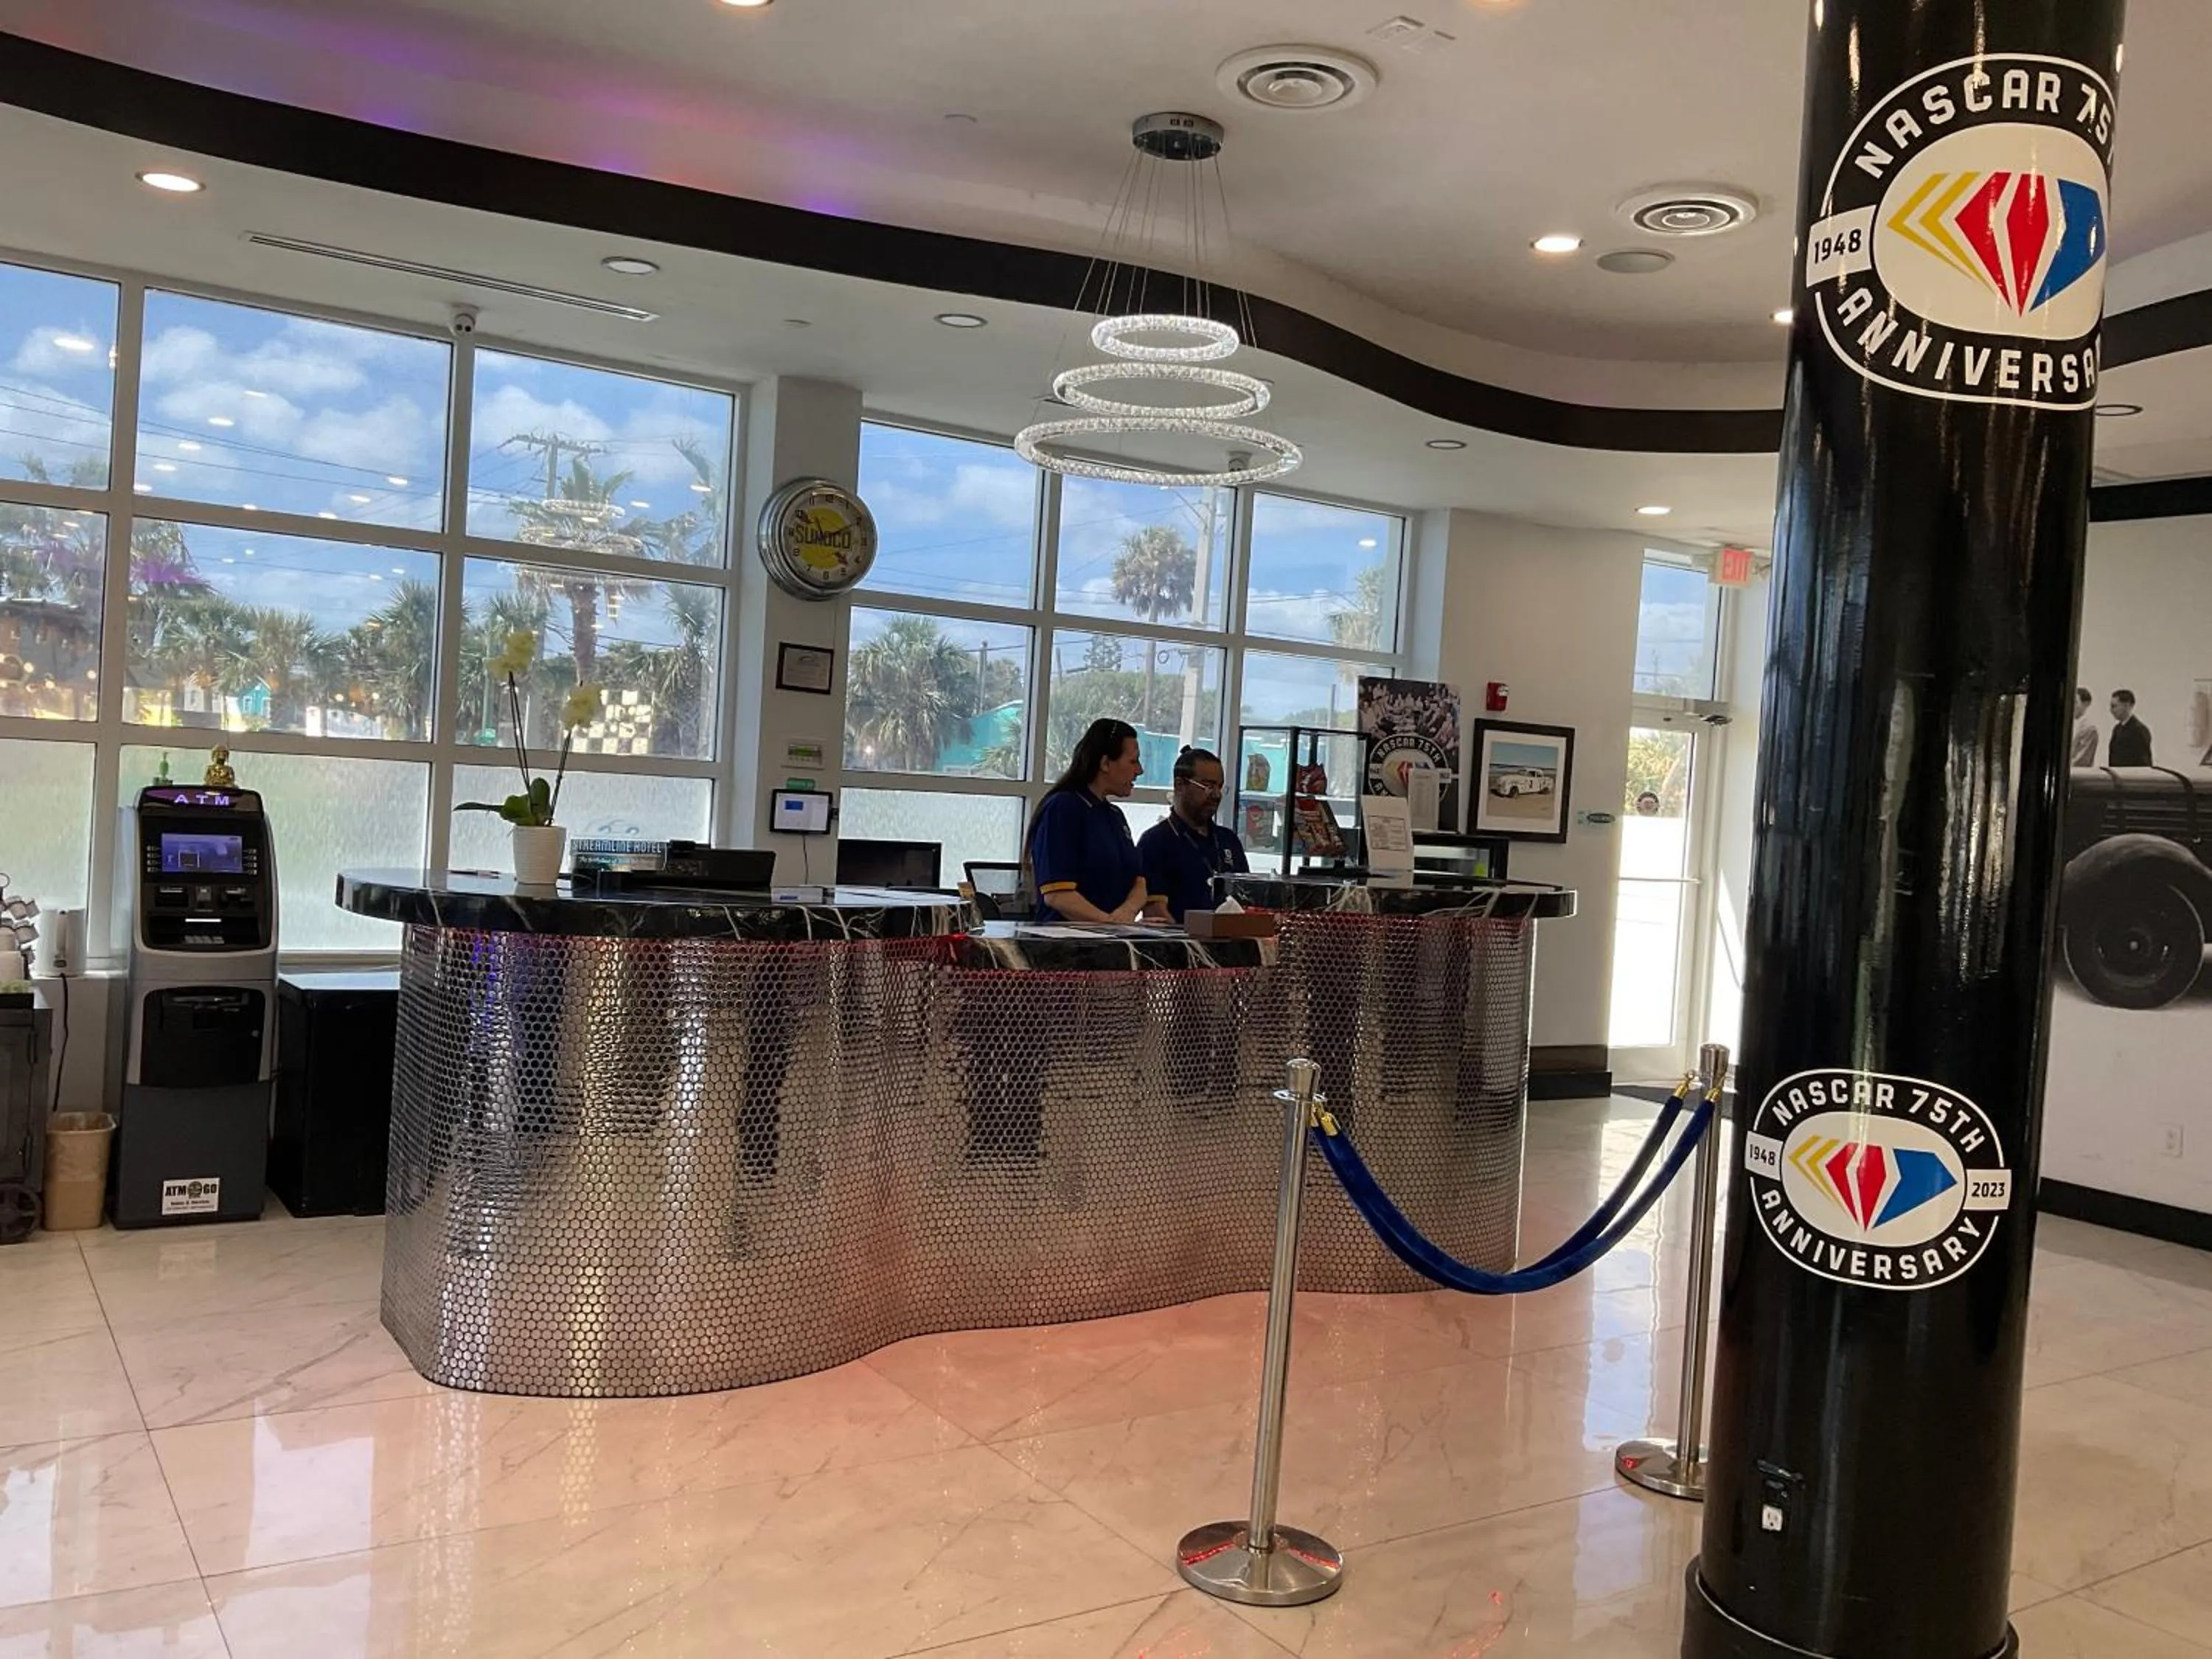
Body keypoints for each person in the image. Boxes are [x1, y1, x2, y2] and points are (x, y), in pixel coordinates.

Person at [1027, 717, 1150, 922]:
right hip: (1068, 944)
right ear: (1105, 763)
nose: (1139, 770)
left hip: (1112, 939)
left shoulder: (1114, 816)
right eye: (1133, 761)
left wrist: (1126, 913)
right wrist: (1109, 923)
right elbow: (1057, 895)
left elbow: (1139, 882)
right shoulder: (1062, 808)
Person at [1138, 745, 1250, 921]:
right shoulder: (1156, 841)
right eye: (1207, 786)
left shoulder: (1228, 840)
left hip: (1232, 941)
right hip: (1182, 943)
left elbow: (1247, 899)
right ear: (1180, 785)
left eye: (1219, 787)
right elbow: (1156, 912)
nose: (1216, 795)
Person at [2108, 690, 2154, 767]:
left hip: (2132, 776)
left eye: (2114, 706)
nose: (2111, 710)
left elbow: (2143, 762)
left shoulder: (2140, 730)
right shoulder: (2117, 729)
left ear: (2126, 706)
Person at [2072, 687, 2100, 768]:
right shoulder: (2072, 723)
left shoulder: (2089, 727)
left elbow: (2082, 759)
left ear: (2086, 704)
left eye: (2076, 702)